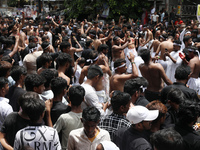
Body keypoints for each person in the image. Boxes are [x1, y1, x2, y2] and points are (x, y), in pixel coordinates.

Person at [54, 85, 85, 150]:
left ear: (69, 98)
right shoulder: (87, 117)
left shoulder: (64, 118)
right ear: (83, 99)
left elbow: (52, 133)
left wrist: (48, 113)